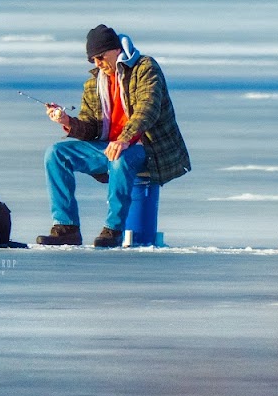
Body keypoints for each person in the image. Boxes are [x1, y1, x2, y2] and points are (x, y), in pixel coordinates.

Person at [38, 24, 191, 248]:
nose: (97, 64)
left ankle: (113, 230)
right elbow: (91, 128)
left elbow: (147, 109)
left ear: (115, 50)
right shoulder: (94, 84)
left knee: (119, 158)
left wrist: (124, 139)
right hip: (110, 146)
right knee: (56, 154)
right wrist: (67, 122)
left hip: (148, 148)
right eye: (92, 60)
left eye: (100, 57)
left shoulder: (145, 68)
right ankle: (66, 227)